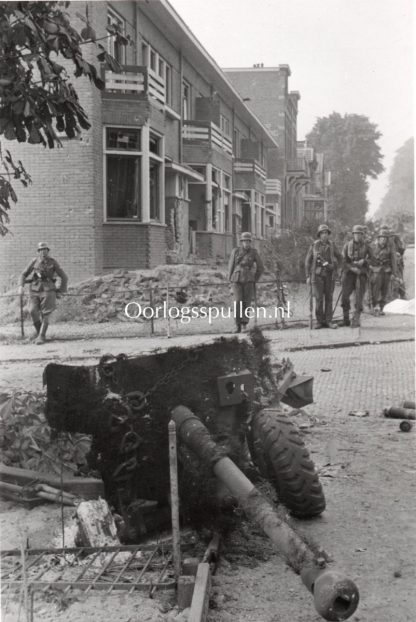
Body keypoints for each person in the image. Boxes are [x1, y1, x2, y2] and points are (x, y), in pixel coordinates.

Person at [19, 242, 68, 344]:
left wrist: (60, 291)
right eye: (41, 250)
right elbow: (23, 274)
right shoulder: (34, 262)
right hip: (34, 290)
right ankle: (39, 333)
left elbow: (64, 277)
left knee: (46, 314)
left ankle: (41, 336)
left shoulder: (53, 262)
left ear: (48, 251)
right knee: (32, 310)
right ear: (38, 252)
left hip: (48, 290)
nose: (43, 252)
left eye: (45, 249)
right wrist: (21, 286)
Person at [305, 224, 342, 329]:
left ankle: (329, 321)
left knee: (329, 298)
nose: (324, 235)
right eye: (322, 233)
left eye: (326, 233)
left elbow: (340, 258)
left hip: (330, 276)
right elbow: (307, 261)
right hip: (317, 276)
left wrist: (338, 269)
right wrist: (308, 276)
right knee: (319, 299)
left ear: (328, 234)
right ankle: (320, 321)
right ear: (319, 234)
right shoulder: (314, 245)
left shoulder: (332, 245)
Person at [228, 232, 264, 333]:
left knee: (246, 303)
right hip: (236, 279)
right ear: (241, 242)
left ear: (250, 242)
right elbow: (231, 266)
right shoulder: (235, 251)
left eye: (248, 241)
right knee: (238, 301)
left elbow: (261, 268)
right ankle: (237, 325)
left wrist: (254, 279)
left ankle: (244, 325)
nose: (246, 243)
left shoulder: (254, 252)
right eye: (244, 241)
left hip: (249, 280)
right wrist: (229, 281)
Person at [341, 225, 374, 328]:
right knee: (345, 296)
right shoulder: (347, 245)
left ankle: (356, 318)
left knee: (359, 298)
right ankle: (345, 318)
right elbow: (343, 260)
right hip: (350, 273)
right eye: (356, 234)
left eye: (360, 234)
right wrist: (351, 268)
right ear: (353, 234)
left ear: (362, 235)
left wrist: (364, 261)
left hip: (361, 273)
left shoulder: (367, 246)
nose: (358, 236)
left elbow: (373, 259)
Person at [369, 230, 397, 315]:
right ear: (379, 238)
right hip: (376, 271)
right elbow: (367, 258)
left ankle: (381, 308)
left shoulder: (390, 248)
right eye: (382, 238)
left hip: (386, 271)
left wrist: (393, 273)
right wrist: (369, 266)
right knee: (375, 290)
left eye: (385, 238)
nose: (383, 240)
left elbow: (393, 260)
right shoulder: (373, 247)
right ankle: (374, 307)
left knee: (385, 290)